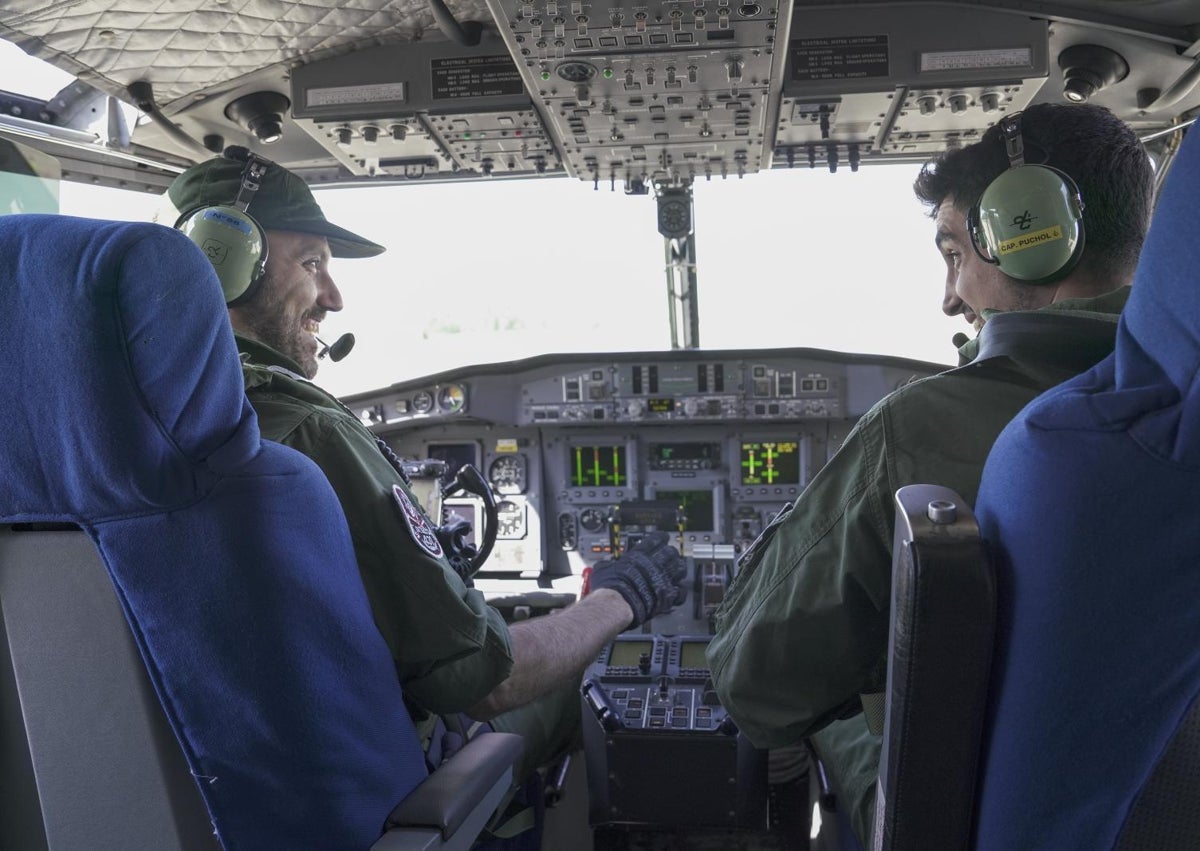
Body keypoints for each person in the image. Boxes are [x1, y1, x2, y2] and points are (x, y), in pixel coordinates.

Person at [158, 151, 689, 803]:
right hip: (366, 784)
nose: (335, 296)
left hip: (209, 781)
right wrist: (621, 596)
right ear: (227, 262)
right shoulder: (310, 433)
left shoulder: (126, 421)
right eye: (313, 263)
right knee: (586, 677)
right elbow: (483, 680)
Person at [706, 102, 1154, 846]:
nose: (949, 297)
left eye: (954, 253)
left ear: (1026, 230)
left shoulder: (916, 432)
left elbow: (752, 683)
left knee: (830, 723)